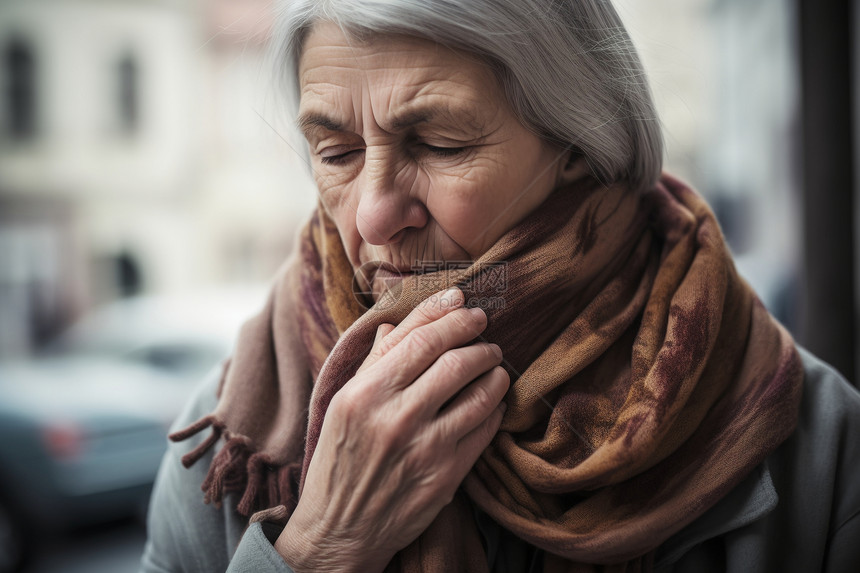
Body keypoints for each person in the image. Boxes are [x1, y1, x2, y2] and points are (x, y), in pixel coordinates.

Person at [140, 1, 860, 571]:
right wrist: (321, 547)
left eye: (440, 144)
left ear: (584, 144)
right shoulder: (231, 433)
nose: (374, 212)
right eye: (336, 152)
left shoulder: (820, 446)